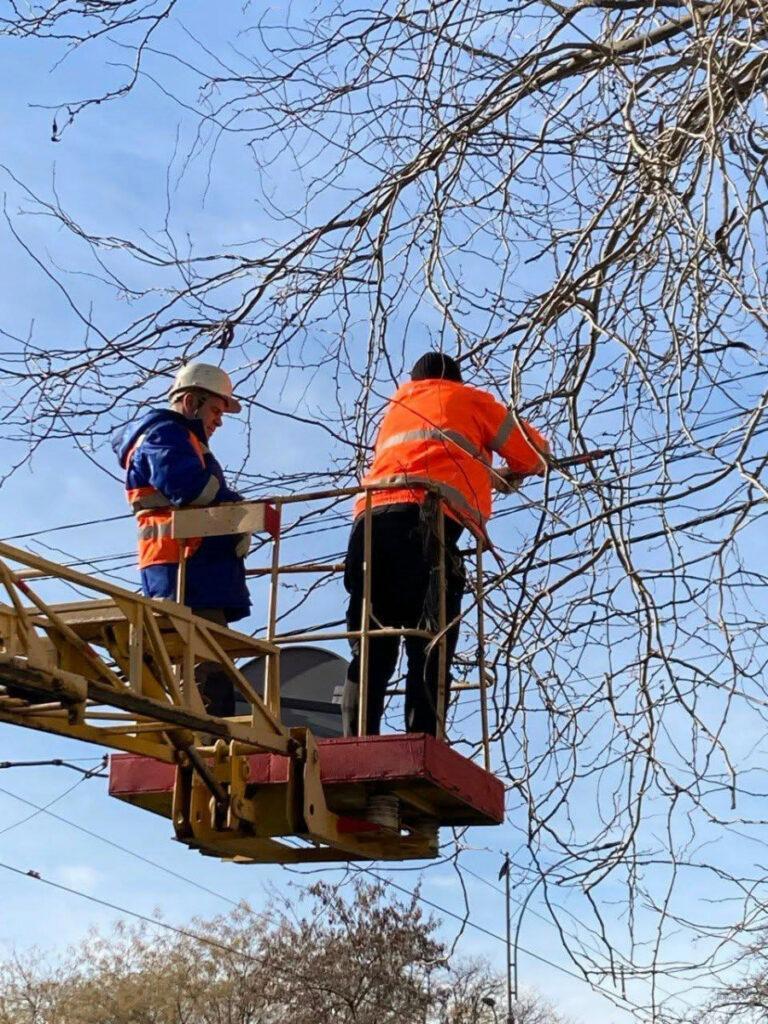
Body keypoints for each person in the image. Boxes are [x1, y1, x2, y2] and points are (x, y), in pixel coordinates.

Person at [343, 352, 549, 737]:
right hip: (423, 526)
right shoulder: (467, 399)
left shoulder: (397, 408)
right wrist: (514, 472)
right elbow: (533, 452)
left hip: (368, 525)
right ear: (453, 379)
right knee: (430, 641)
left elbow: (431, 458)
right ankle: (422, 742)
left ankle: (356, 741)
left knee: (373, 644)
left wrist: (485, 475)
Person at [112, 362, 250, 717]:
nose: (219, 421)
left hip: (194, 570)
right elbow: (192, 489)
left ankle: (206, 731)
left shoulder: (180, 438)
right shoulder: (166, 435)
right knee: (204, 669)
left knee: (209, 667)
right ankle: (204, 735)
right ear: (190, 401)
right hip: (183, 570)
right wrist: (237, 510)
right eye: (216, 410)